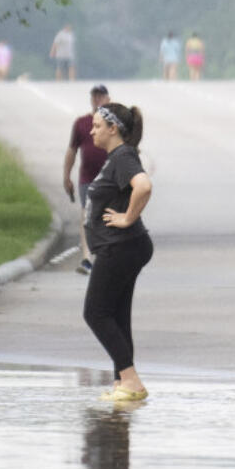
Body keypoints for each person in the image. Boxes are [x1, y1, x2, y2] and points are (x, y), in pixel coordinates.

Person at [83, 103, 154, 403]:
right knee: (117, 316)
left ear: (113, 129)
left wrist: (127, 218)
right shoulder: (118, 157)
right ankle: (122, 383)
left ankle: (131, 380)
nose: (92, 131)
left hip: (120, 246)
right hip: (124, 246)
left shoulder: (123, 156)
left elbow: (144, 186)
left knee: (96, 313)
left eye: (97, 126)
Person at [63, 84, 112, 274]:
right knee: (87, 215)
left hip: (109, 178)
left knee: (107, 215)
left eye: (101, 96)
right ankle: (86, 257)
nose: (97, 100)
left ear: (108, 99)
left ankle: (104, 255)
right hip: (87, 177)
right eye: (95, 96)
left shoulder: (114, 123)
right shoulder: (82, 123)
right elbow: (72, 150)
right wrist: (66, 176)